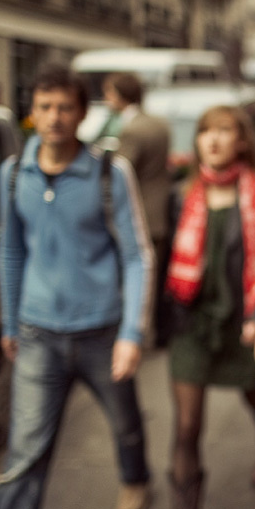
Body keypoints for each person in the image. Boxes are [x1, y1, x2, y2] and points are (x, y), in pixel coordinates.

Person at [0, 65, 154, 509]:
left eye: (65, 107)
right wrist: (12, 323)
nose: (55, 118)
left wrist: (132, 332)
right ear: (30, 114)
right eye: (44, 107)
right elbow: (12, 251)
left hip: (103, 331)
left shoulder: (109, 172)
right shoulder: (13, 172)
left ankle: (135, 477)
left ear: (82, 114)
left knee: (125, 424)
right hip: (39, 334)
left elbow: (136, 254)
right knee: (24, 455)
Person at [163, 105, 255, 509]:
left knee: (254, 396)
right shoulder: (181, 195)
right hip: (191, 325)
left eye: (223, 131)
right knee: (187, 427)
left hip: (242, 323)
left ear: (242, 141)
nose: (212, 140)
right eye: (204, 131)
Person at [102, 71, 173, 347]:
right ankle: (155, 331)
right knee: (156, 275)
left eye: (109, 93)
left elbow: (121, 172)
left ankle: (141, 334)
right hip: (160, 209)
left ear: (121, 96)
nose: (107, 100)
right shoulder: (158, 123)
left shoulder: (132, 130)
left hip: (141, 212)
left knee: (141, 276)